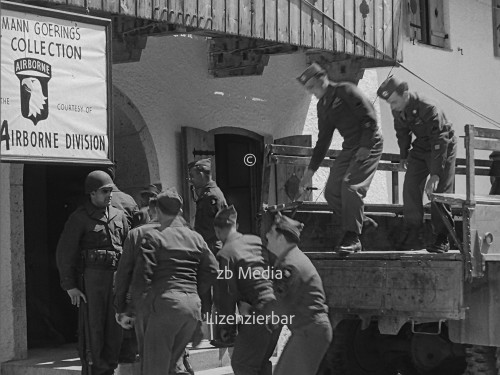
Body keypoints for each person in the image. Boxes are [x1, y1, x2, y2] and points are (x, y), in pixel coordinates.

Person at [125, 188, 218, 375]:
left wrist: (130, 308)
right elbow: (213, 269)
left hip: (164, 307)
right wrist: (192, 291)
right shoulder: (196, 237)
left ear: (157, 211)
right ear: (181, 211)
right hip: (191, 309)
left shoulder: (154, 236)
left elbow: (142, 276)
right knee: (172, 368)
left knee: (154, 370)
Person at [297, 62, 383, 254]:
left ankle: (353, 237)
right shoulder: (323, 106)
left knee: (351, 186)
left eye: (312, 87)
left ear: (322, 79)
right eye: (307, 89)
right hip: (350, 147)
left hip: (369, 143)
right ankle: (362, 222)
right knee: (332, 192)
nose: (311, 92)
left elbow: (369, 118)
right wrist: (310, 171)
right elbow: (323, 140)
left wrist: (366, 146)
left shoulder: (346, 90)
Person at [56, 170, 129, 375]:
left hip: (115, 279)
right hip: (92, 281)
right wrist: (69, 285)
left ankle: (110, 367)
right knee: (94, 329)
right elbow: (65, 253)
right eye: (105, 191)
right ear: (92, 193)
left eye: (111, 191)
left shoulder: (119, 216)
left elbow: (127, 249)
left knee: (115, 329)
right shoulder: (79, 218)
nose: (110, 195)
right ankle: (96, 369)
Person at [114, 196, 193, 374]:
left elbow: (124, 274)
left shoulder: (136, 234)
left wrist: (121, 308)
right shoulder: (188, 235)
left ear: (153, 211)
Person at [377, 76, 457, 253]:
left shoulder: (428, 107)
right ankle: (415, 234)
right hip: (421, 146)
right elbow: (402, 132)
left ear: (405, 94)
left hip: (443, 146)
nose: (392, 106)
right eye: (389, 103)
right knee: (411, 186)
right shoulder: (398, 109)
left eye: (394, 101)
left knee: (439, 192)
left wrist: (436, 173)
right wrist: (404, 155)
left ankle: (442, 238)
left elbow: (440, 139)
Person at [213, 205, 280, 375]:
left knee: (243, 365)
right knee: (260, 363)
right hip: (277, 310)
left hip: (257, 312)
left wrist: (227, 328)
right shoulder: (255, 241)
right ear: (236, 225)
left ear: (217, 231)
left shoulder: (225, 254)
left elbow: (226, 293)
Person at [265, 213, 332, 375]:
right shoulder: (290, 258)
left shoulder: (289, 265)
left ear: (281, 239)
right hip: (310, 330)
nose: (267, 235)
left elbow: (278, 304)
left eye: (272, 232)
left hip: (310, 331)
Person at [188, 158, 228, 255]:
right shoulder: (209, 194)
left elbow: (206, 229)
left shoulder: (210, 196)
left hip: (211, 248)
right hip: (211, 246)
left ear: (201, 175)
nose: (190, 180)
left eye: (192, 176)